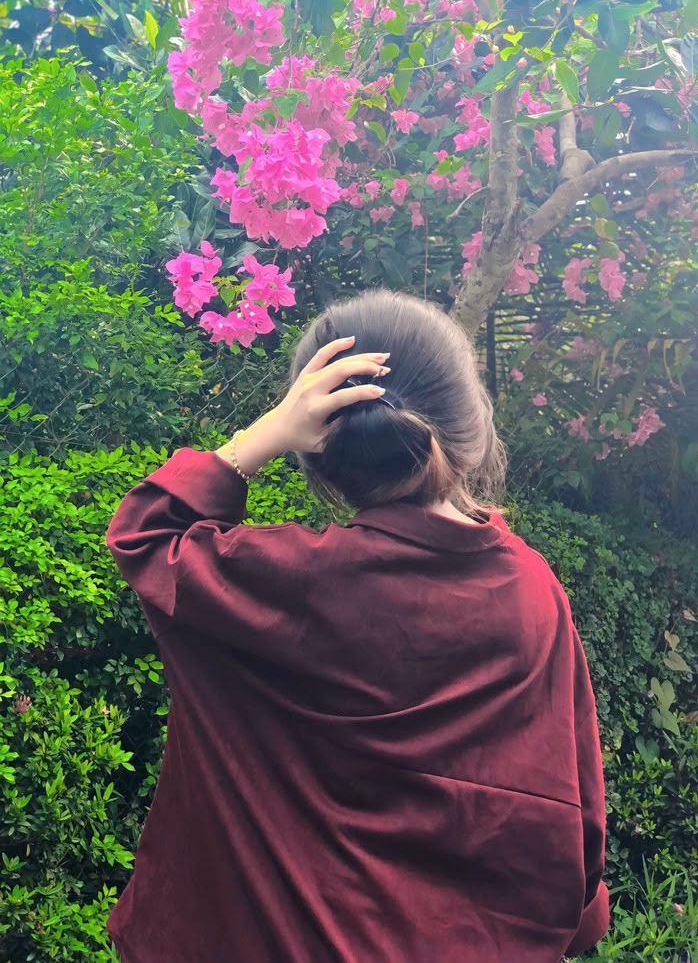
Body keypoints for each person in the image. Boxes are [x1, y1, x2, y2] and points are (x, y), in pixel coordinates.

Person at [106, 289, 609, 962]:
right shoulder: (531, 591)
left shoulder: (288, 581)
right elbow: (571, 817)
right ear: (471, 426)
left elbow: (146, 535)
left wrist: (263, 434)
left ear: (321, 452)